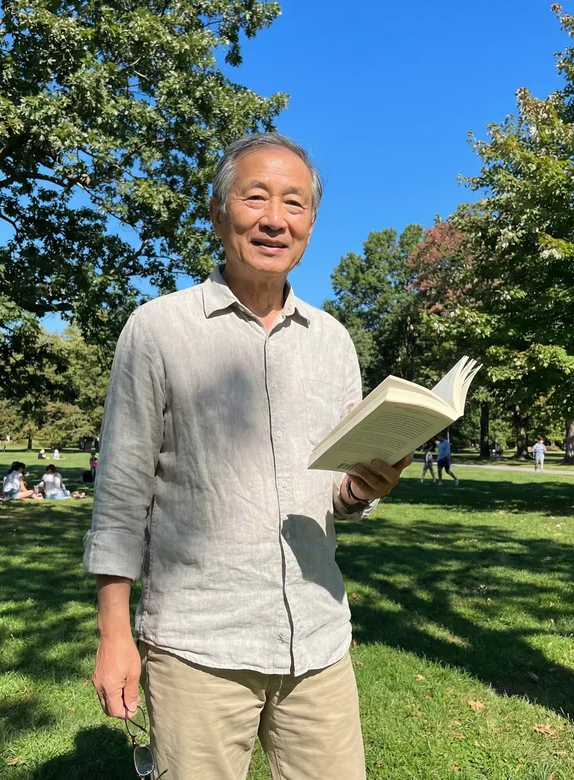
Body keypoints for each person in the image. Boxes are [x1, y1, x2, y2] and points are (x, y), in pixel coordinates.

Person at [84, 133, 413, 780]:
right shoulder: (158, 330)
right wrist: (114, 633)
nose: (274, 218)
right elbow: (121, 495)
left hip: (318, 643)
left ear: (311, 225)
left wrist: (363, 489)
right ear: (217, 213)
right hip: (198, 647)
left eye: (294, 203)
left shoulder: (334, 342)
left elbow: (333, 498)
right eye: (255, 196)